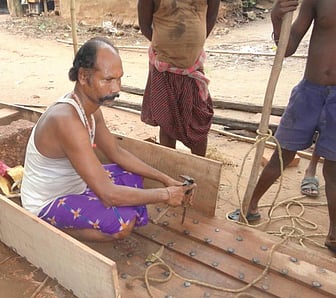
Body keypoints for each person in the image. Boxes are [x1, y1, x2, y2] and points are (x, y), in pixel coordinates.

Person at [20, 37, 196, 242]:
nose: (116, 88)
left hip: (77, 185)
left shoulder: (90, 110)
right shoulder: (67, 121)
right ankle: (54, 229)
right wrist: (166, 194)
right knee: (122, 224)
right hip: (48, 201)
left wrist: (165, 179)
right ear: (84, 77)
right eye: (108, 80)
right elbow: (108, 195)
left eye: (119, 79)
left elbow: (117, 152)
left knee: (133, 176)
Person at [228, 0, 336, 253]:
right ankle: (250, 206)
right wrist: (277, 18)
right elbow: (287, 47)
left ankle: (334, 234)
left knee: (334, 170)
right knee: (281, 152)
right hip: (310, 91)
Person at [137, 0, 220, 157]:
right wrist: (165, 47)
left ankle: (199, 166)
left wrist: (195, 43)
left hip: (193, 66)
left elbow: (211, 16)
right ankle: (169, 167)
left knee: (199, 119)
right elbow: (144, 24)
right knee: (166, 121)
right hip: (164, 68)